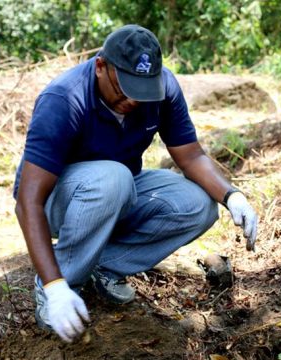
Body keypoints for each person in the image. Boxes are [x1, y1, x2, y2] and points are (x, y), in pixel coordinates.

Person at [13, 24, 259, 343]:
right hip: (56, 200)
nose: (132, 100)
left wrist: (232, 196)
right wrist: (54, 286)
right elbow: (28, 201)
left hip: (119, 188)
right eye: (124, 88)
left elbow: (190, 155)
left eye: (142, 91)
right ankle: (63, 279)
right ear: (100, 67)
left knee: (199, 205)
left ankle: (103, 268)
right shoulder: (64, 99)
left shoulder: (163, 88)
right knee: (113, 178)